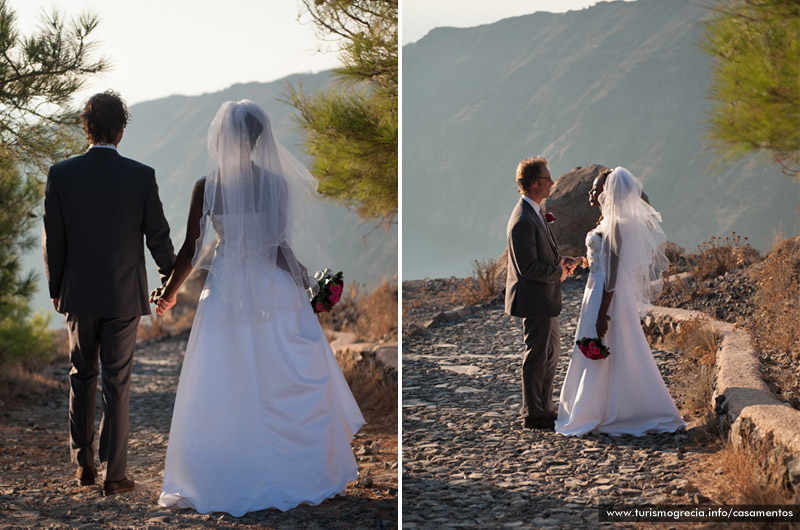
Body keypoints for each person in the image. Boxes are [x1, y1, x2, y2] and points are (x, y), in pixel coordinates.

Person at [153, 100, 364, 516]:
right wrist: (305, 284)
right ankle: (303, 471)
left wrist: (169, 293)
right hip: (272, 288)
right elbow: (278, 246)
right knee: (283, 373)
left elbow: (190, 251)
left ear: (224, 138)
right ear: (257, 139)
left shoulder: (206, 186)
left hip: (227, 290)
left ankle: (228, 471)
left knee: (224, 380)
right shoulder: (276, 184)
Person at [42, 90, 175, 496]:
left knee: (82, 375)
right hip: (123, 297)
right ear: (120, 132)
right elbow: (159, 237)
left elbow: (54, 240)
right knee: (117, 382)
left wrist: (56, 288)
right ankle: (115, 474)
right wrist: (169, 282)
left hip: (78, 294)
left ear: (86, 129)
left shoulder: (61, 174)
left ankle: (83, 466)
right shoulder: (141, 175)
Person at [555, 167, 686, 436]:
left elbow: (613, 273)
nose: (591, 192)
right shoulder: (606, 221)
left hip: (606, 295)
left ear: (608, 192)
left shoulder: (616, 224)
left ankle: (607, 410)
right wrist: (582, 260)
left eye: (596, 187)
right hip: (596, 289)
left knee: (610, 344)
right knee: (611, 347)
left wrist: (603, 312)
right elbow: (601, 257)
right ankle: (603, 406)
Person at [505, 156, 575, 431]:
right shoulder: (523, 219)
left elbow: (539, 255)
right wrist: (559, 274)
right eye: (547, 178)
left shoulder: (534, 211)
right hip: (536, 299)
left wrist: (560, 261)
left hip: (546, 300)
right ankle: (533, 413)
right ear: (534, 183)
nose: (552, 182)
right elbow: (528, 267)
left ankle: (544, 406)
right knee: (537, 355)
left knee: (550, 353)